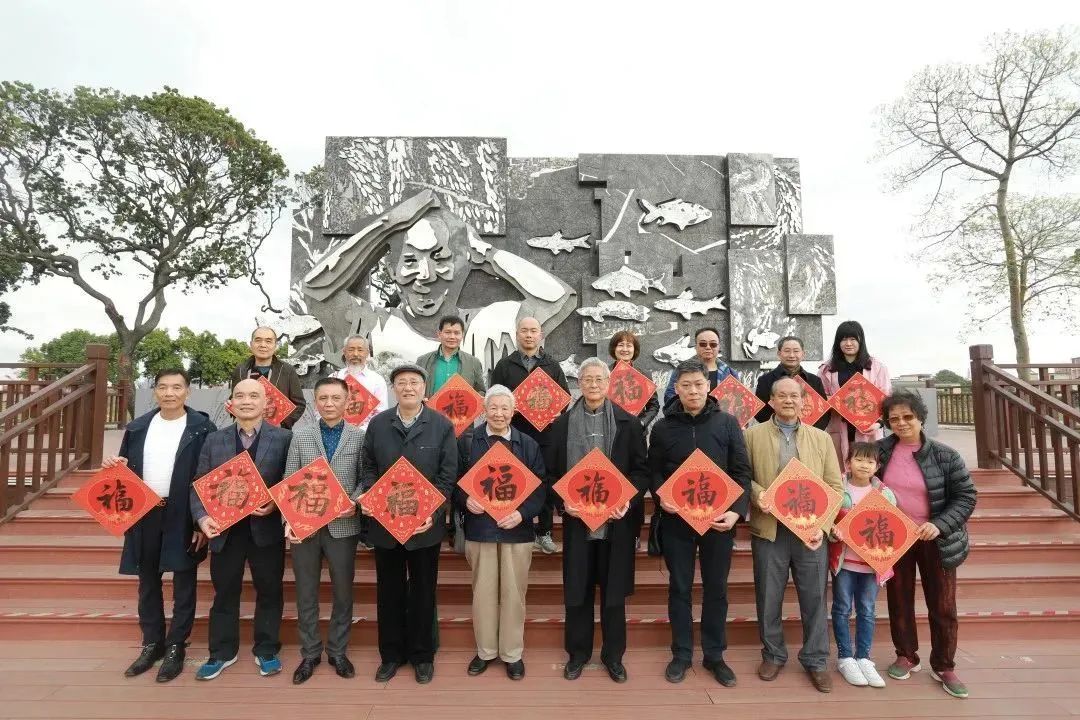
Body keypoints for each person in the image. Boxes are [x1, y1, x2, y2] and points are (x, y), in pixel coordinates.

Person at [103, 368, 215, 683]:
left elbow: (209, 476)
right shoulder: (138, 427)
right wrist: (114, 466)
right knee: (147, 580)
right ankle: (152, 643)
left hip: (184, 513)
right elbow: (124, 470)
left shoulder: (201, 428)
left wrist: (201, 519)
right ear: (155, 391)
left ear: (187, 392)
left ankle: (176, 645)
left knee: (184, 581)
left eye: (176, 387)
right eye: (163, 387)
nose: (169, 393)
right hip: (144, 512)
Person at [543, 358, 649, 683]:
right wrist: (563, 503)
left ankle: (613, 656)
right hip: (577, 523)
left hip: (616, 522)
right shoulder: (561, 426)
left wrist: (627, 500)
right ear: (579, 384)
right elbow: (549, 474)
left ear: (608, 383)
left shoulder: (629, 424)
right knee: (578, 592)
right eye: (587, 379)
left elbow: (641, 471)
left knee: (613, 594)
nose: (593, 384)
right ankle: (578, 654)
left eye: (599, 379)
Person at [648, 359, 751, 687]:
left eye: (698, 384)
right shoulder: (663, 428)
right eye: (686, 385)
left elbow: (741, 471)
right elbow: (654, 470)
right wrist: (661, 496)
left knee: (716, 588)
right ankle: (681, 653)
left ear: (709, 386)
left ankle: (714, 655)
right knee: (679, 587)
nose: (693, 391)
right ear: (676, 389)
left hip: (718, 521)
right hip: (677, 521)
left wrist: (736, 511)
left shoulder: (727, 423)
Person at [356, 363, 457, 684]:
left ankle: (422, 656)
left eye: (414, 382)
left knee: (423, 592)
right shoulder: (379, 424)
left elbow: (447, 476)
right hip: (385, 525)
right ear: (393, 389)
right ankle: (391, 655)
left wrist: (432, 512)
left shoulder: (441, 425)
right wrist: (374, 497)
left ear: (424, 389)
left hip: (424, 527)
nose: (408, 387)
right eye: (401, 383)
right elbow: (368, 467)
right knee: (389, 591)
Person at [744, 376, 843, 693]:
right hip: (769, 529)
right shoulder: (752, 436)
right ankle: (773, 654)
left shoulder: (821, 438)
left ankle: (816, 659)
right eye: (782, 396)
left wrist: (822, 526)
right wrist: (759, 494)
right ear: (771, 401)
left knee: (814, 598)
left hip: (810, 533)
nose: (789, 400)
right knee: (768, 596)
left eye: (794, 396)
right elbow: (743, 475)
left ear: (804, 401)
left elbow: (835, 486)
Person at [877, 390, 976, 699]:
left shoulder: (946, 455)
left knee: (943, 604)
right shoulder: (879, 452)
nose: (901, 423)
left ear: (921, 417)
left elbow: (966, 497)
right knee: (899, 599)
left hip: (936, 538)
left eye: (908, 417)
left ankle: (944, 664)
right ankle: (906, 655)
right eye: (894, 418)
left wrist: (940, 524)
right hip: (895, 537)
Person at [191, 379, 292, 680]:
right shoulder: (214, 440)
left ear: (266, 403)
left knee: (270, 590)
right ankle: (222, 652)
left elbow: (292, 480)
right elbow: (198, 484)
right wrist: (201, 518)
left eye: (253, 396)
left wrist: (275, 503)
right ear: (231, 403)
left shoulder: (284, 438)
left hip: (265, 529)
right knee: (224, 591)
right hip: (225, 531)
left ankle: (267, 649)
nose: (246, 401)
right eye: (240, 395)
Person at [454, 385, 547, 680]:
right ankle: (485, 651)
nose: (499, 413)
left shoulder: (527, 444)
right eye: (493, 407)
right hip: (480, 529)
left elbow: (540, 487)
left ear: (514, 411)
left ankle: (512, 653)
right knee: (482, 593)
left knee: (513, 594)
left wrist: (522, 513)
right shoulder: (468, 442)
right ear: (484, 410)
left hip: (516, 531)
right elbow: (453, 480)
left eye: (505, 408)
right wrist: (464, 499)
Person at [284, 377, 366, 685]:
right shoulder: (301, 436)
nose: (329, 403)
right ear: (315, 402)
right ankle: (310, 653)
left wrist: (355, 501)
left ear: (348, 401)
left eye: (336, 398)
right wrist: (289, 521)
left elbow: (365, 478)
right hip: (305, 526)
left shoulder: (359, 437)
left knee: (343, 592)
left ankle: (337, 651)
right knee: (306, 592)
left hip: (343, 526)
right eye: (323, 398)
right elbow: (290, 478)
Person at [490, 316, 570, 554]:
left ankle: (544, 532)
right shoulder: (505, 365)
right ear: (517, 334)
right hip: (513, 434)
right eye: (524, 330)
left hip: (545, 435)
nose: (528, 335)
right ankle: (516, 529)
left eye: (533, 331)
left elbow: (564, 398)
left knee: (543, 481)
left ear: (540, 335)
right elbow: (494, 395)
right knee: (512, 479)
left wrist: (555, 412)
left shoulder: (552, 366)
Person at [827, 442, 896, 689]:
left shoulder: (885, 494)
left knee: (867, 609)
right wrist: (833, 532)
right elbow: (827, 521)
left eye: (870, 461)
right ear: (848, 463)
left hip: (871, 565)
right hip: (844, 562)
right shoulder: (838, 489)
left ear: (877, 466)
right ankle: (845, 657)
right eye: (858, 460)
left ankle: (864, 657)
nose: (864, 465)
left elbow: (894, 530)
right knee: (842, 608)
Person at [608, 330, 661, 554]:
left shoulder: (643, 374)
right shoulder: (605, 373)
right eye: (620, 345)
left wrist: (641, 423)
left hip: (636, 436)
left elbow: (654, 406)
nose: (625, 349)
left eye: (629, 345)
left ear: (635, 350)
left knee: (635, 482)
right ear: (614, 349)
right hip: (610, 434)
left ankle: (636, 532)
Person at [819, 320, 891, 467]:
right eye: (843, 339)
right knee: (838, 469)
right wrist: (832, 401)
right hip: (838, 426)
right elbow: (821, 397)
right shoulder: (827, 369)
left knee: (866, 469)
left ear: (861, 340)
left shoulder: (877, 367)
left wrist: (878, 423)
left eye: (853, 339)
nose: (848, 343)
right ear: (838, 342)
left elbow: (887, 399)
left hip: (868, 429)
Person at [231, 326, 306, 429]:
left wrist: (282, 424)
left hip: (277, 432)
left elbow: (299, 404)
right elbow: (234, 399)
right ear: (251, 344)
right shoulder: (240, 370)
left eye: (268, 341)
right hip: (245, 430)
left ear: (275, 346)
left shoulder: (287, 370)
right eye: (258, 340)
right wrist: (231, 407)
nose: (263, 345)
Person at [754, 335, 830, 431]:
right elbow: (760, 411)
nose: (792, 355)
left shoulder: (814, 381)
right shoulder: (765, 380)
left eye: (796, 351)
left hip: (808, 434)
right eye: (787, 351)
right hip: (775, 432)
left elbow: (824, 412)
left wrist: (812, 431)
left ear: (803, 354)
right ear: (779, 353)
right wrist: (779, 428)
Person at [661, 327, 737, 407]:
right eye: (703, 344)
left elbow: (737, 401)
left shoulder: (730, 373)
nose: (708, 347)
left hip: (721, 415)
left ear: (718, 347)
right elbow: (669, 397)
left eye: (713, 344)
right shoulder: (682, 369)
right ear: (696, 347)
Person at [418, 314, 487, 396]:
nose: (452, 337)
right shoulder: (422, 361)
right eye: (448, 332)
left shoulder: (474, 363)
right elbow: (414, 387)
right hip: (429, 405)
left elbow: (481, 391)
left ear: (462, 335)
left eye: (457, 333)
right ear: (439, 334)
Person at [331, 334, 389, 432]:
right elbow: (322, 408)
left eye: (360, 350)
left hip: (366, 434)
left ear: (367, 353)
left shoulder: (377, 380)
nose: (355, 354)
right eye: (351, 350)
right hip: (335, 433)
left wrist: (359, 431)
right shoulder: (334, 377)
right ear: (344, 352)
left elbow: (381, 413)